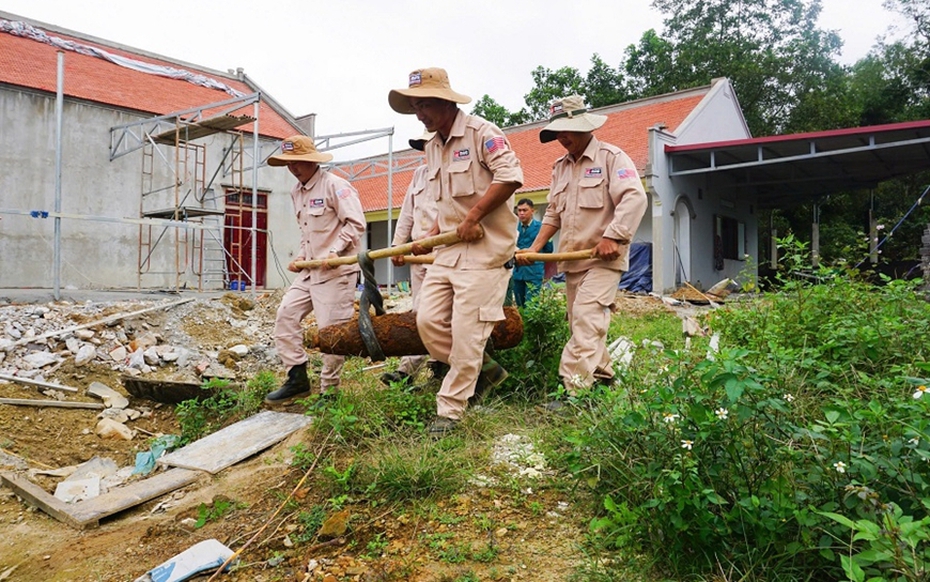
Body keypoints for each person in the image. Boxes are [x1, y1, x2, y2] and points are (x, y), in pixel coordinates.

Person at [388, 67, 524, 436]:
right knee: (427, 321)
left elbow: (511, 176)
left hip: (485, 252)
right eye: (415, 106)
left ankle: (451, 410)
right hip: (448, 251)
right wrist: (431, 232)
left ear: (445, 101)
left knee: (467, 331)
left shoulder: (483, 133)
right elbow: (443, 200)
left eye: (424, 105)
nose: (419, 114)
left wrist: (475, 215)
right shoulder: (433, 146)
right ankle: (483, 370)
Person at [517, 95, 647, 403]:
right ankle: (604, 378)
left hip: (603, 260)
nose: (561, 138)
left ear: (584, 126)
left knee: (587, 318)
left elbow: (634, 198)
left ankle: (572, 389)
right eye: (556, 132)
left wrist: (613, 236)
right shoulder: (560, 167)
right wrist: (534, 248)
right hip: (573, 261)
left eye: (566, 130)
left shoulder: (611, 158)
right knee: (581, 322)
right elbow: (553, 214)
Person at [264, 135, 366, 405]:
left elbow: (355, 223)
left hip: (335, 273)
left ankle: (330, 392)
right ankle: (297, 378)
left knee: (331, 332)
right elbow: (307, 232)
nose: (293, 168)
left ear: (311, 161)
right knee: (285, 315)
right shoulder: (297, 191)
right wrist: (300, 257)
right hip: (309, 272)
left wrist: (336, 250)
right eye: (289, 164)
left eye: (298, 162)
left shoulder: (335, 186)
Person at [381, 130, 439, 387]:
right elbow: (407, 213)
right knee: (420, 312)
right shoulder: (419, 174)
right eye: (426, 146)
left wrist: (428, 242)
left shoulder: (454, 174)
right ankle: (412, 370)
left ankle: (414, 370)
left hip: (443, 255)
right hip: (419, 258)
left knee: (435, 314)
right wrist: (397, 247)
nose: (430, 150)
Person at [510, 198, 552, 307]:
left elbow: (549, 249)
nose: (521, 213)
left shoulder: (541, 228)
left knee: (531, 305)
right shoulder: (513, 227)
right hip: (517, 272)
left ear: (532, 211)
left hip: (534, 272)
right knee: (520, 305)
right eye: (519, 210)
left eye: (525, 210)